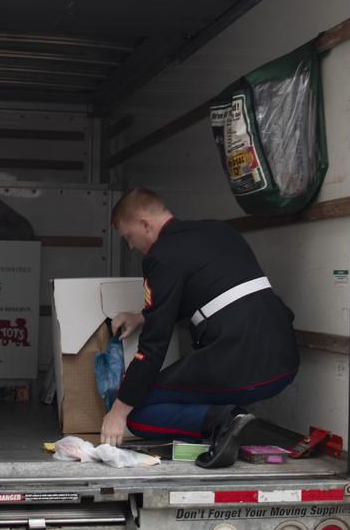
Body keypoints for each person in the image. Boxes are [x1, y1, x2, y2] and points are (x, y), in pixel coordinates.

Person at [100, 188, 299, 469]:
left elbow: (153, 346)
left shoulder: (161, 256)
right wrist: (143, 316)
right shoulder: (220, 231)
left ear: (145, 223)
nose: (131, 246)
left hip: (239, 364)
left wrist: (118, 411)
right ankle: (230, 418)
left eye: (128, 237)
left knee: (138, 412)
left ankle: (226, 420)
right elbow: (215, 291)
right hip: (283, 365)